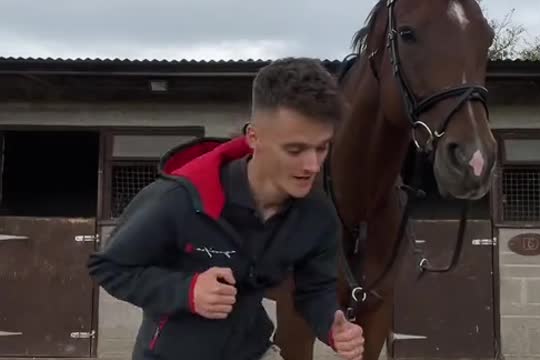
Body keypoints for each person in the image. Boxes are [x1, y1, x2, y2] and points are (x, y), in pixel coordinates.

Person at [87, 57, 365, 360]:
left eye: (322, 147)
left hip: (254, 350)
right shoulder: (179, 199)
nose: (312, 166)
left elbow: (315, 289)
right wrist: (187, 291)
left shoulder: (318, 215)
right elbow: (108, 267)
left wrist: (331, 325)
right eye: (295, 150)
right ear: (254, 137)